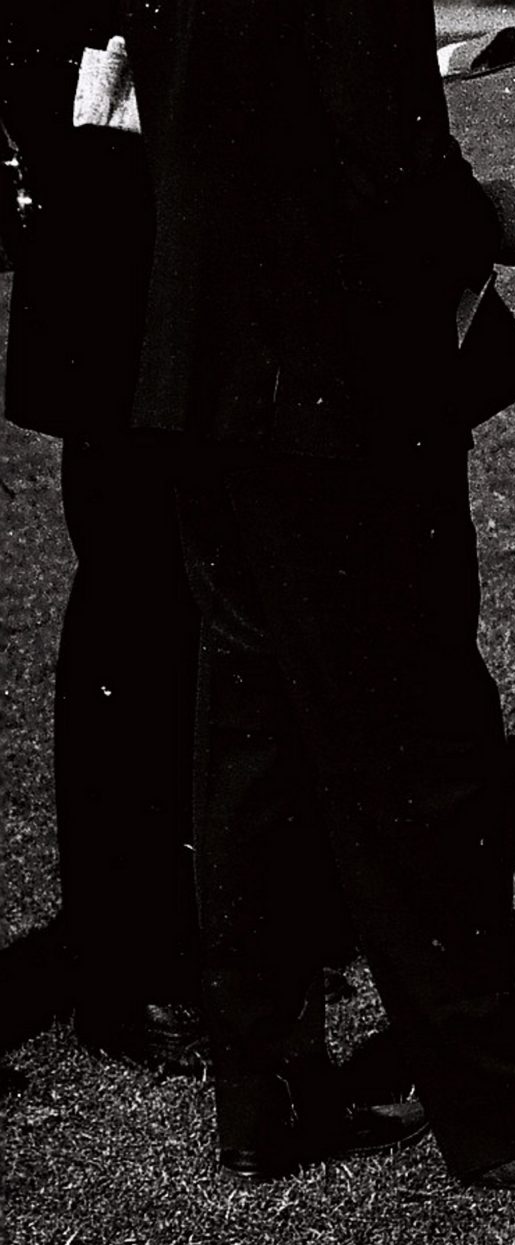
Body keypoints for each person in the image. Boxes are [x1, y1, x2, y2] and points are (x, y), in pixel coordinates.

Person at [123, 0, 515, 1198]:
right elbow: (378, 151)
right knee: (423, 743)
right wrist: (481, 218)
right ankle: (512, 1101)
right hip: (329, 395)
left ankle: (269, 1080)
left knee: (255, 741)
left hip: (210, 375)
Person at [1, 9, 204, 1073]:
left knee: (168, 611)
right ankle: (130, 960)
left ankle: (161, 942)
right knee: (136, 613)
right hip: (117, 278)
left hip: (157, 268)